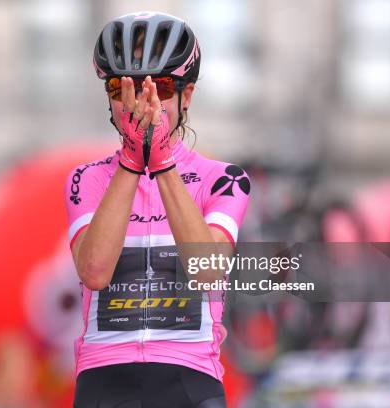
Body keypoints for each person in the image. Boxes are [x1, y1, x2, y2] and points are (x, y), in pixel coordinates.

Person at [65, 11, 250, 408]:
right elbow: (95, 271)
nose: (142, 101)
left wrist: (162, 161)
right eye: (121, 87)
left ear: (187, 96)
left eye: (161, 86)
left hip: (190, 380)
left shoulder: (224, 178)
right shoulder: (85, 179)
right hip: (105, 379)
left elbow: (206, 269)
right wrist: (133, 162)